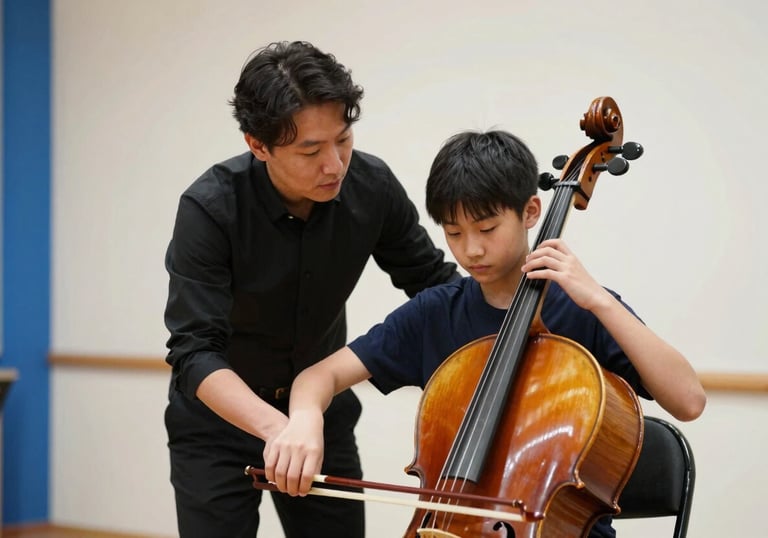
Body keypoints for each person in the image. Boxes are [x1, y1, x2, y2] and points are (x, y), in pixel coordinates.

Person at [264, 130, 707, 537]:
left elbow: (688, 400)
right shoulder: (436, 313)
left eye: (487, 229)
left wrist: (599, 300)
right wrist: (305, 420)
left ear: (531, 211)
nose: (471, 249)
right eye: (454, 233)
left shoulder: (583, 308)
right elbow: (318, 377)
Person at [163, 40, 460, 538]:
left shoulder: (372, 186)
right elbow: (194, 352)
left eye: (343, 140)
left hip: (323, 416)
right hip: (217, 427)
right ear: (258, 145)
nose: (335, 165)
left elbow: (433, 285)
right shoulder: (210, 209)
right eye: (310, 150)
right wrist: (281, 429)